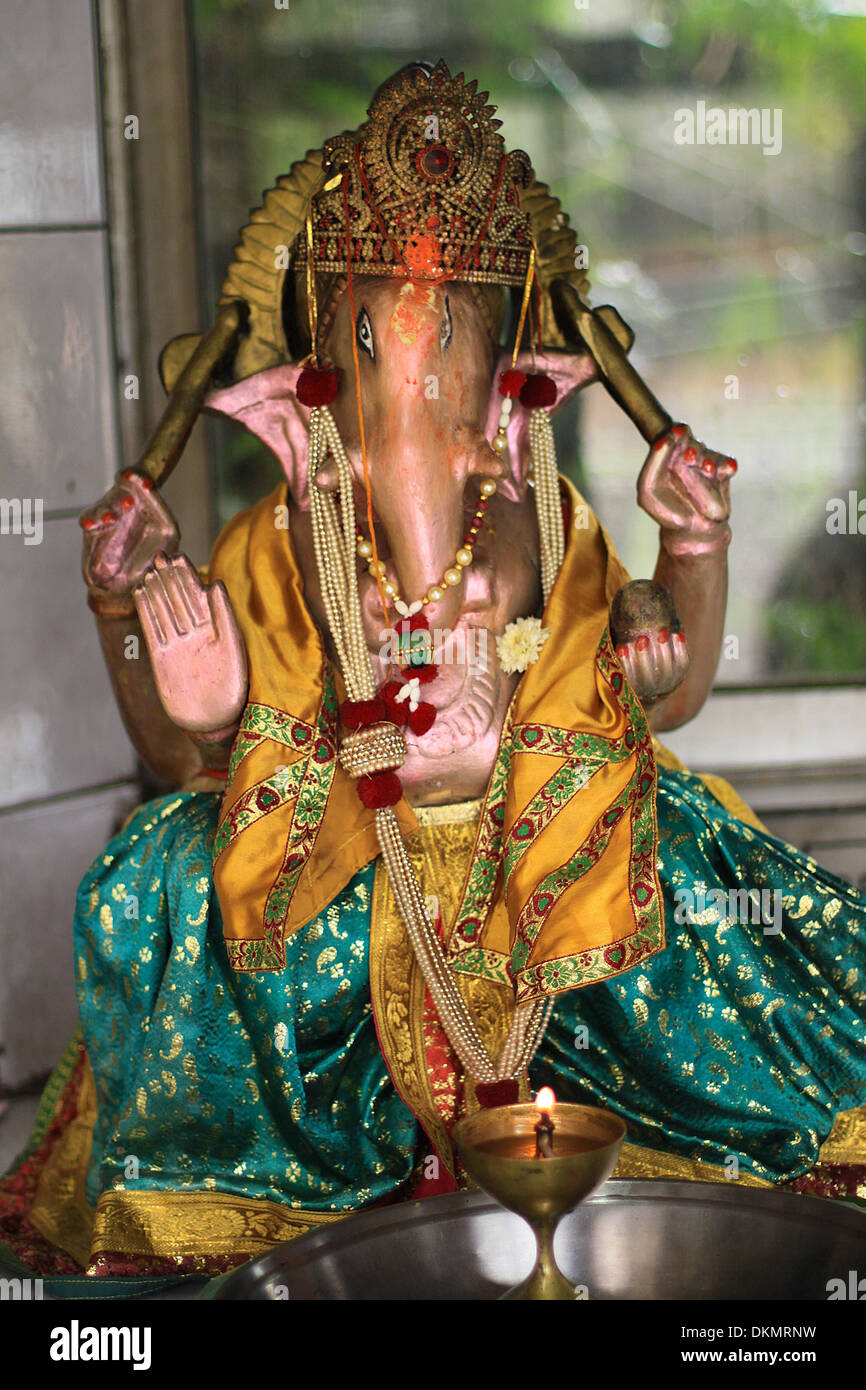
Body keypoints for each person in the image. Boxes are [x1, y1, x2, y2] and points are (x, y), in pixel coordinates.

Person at [2, 61, 863, 1292]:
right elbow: (186, 759)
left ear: (512, 392)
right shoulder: (276, 542)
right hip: (342, 874)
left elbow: (659, 705)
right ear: (316, 381)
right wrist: (154, 655)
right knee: (155, 884)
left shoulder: (550, 524)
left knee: (707, 879)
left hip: (538, 867)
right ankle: (278, 1182)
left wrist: (690, 554)